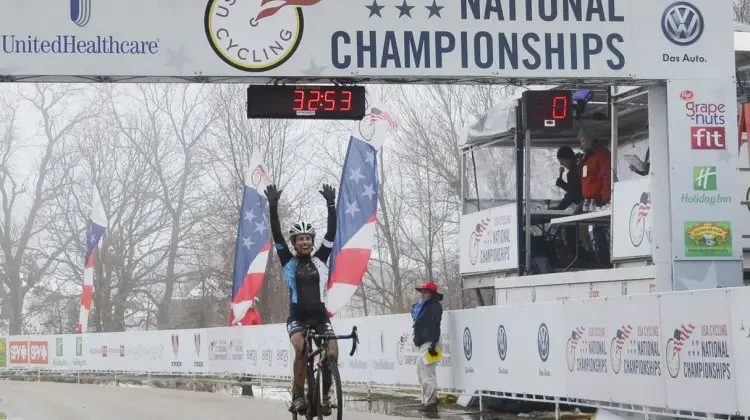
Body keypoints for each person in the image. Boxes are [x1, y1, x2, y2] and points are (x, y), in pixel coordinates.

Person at [264, 183, 338, 414]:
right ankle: (297, 396)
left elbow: (332, 233)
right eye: (300, 239)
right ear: (294, 243)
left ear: (312, 242)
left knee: (332, 352)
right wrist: (273, 206)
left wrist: (331, 204)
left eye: (308, 238)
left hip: (320, 316)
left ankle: (325, 395)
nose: (304, 242)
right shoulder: (289, 262)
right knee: (301, 349)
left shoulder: (320, 259)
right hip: (297, 316)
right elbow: (276, 233)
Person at [412, 281, 444, 415]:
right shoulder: (423, 306)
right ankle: (428, 400)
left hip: (431, 342)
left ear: (431, 294)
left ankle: (430, 403)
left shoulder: (434, 307)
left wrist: (433, 343)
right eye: (422, 292)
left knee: (427, 373)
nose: (423, 294)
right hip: (424, 342)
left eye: (425, 292)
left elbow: (436, 324)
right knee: (420, 372)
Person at [579, 127, 612, 211]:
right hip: (589, 200)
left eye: (585, 141)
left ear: (592, 140)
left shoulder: (602, 154)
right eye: (582, 141)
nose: (583, 144)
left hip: (599, 199)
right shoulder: (588, 156)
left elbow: (607, 176)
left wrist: (606, 198)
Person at [554, 146, 583, 210]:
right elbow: (575, 190)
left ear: (568, 159)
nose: (561, 164)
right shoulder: (580, 164)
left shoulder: (573, 172)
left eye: (562, 161)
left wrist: (559, 208)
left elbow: (575, 194)